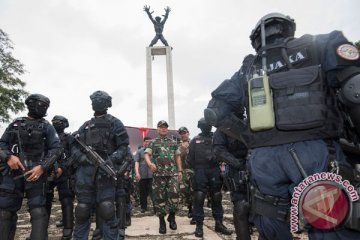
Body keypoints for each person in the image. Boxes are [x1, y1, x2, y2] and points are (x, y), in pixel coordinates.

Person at [204, 12, 360, 240]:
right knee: (331, 222)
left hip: (264, 162)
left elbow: (215, 112)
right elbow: (354, 89)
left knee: (271, 223)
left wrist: (251, 137)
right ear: (288, 29)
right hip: (317, 150)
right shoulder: (321, 44)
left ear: (257, 39)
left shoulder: (249, 68)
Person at [0, 93, 62, 240]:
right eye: (41, 105)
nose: (44, 108)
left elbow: (57, 149)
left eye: (46, 106)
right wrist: (9, 157)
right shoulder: (16, 123)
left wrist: (42, 167)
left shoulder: (47, 126)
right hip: (12, 174)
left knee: (38, 212)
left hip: (36, 174)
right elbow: (2, 144)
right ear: (31, 104)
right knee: (4, 213)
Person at [70, 90, 129, 240]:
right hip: (85, 172)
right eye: (94, 100)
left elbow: (123, 147)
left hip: (105, 171)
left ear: (107, 103)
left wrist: (112, 159)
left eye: (100, 100)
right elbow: (74, 146)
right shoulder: (86, 125)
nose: (96, 103)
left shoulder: (115, 123)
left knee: (107, 209)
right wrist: (83, 158)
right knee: (82, 210)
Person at [188, 118, 233, 238]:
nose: (206, 127)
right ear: (199, 126)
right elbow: (190, 159)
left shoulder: (217, 138)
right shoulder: (195, 141)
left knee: (217, 196)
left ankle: (219, 223)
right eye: (203, 125)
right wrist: (199, 169)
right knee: (199, 197)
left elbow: (223, 152)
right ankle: (199, 226)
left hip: (214, 170)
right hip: (200, 171)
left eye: (208, 125)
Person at [144, 120, 182, 234]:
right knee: (159, 198)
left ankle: (172, 216)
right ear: (157, 129)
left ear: (167, 129)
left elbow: (178, 156)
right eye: (161, 127)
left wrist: (180, 170)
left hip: (172, 174)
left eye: (165, 127)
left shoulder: (173, 142)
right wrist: (150, 164)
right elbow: (146, 154)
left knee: (175, 194)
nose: (163, 129)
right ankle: (162, 221)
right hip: (159, 175)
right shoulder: (153, 142)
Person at [213, 128, 251, 240]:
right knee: (241, 206)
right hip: (236, 168)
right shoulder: (223, 128)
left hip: (257, 163)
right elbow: (218, 150)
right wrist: (237, 163)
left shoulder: (249, 122)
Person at [47, 115, 75, 240]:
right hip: (48, 171)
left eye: (59, 122)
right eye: (54, 121)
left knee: (66, 200)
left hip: (65, 172)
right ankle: (40, 230)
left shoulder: (69, 138)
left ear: (65, 124)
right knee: (44, 200)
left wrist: (62, 168)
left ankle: (68, 230)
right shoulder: (47, 137)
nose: (56, 123)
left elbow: (73, 156)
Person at [177, 126, 195, 224]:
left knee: (195, 191)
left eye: (184, 133)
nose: (183, 135)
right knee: (185, 192)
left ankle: (194, 211)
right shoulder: (178, 146)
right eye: (181, 133)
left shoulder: (194, 142)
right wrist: (182, 149)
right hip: (183, 171)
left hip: (194, 171)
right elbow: (177, 157)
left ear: (188, 133)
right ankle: (190, 207)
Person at [134, 136, 153, 213]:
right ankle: (143, 207)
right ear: (144, 142)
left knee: (153, 192)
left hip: (152, 175)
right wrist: (137, 173)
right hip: (142, 175)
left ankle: (156, 207)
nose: (148, 143)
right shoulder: (139, 151)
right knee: (142, 192)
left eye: (149, 141)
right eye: (146, 141)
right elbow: (136, 162)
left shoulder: (154, 151)